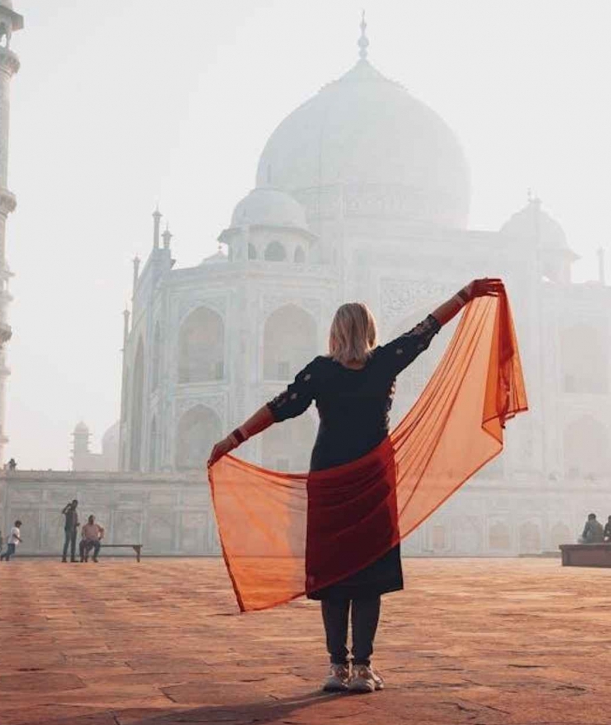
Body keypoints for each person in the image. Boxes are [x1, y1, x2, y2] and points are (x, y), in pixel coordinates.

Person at [208, 278, 499, 695]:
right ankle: (362, 668)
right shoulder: (384, 362)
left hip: (329, 475)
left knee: (334, 573)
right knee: (368, 573)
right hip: (371, 476)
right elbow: (425, 331)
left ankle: (336, 668)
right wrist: (465, 294)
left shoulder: (320, 371)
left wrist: (233, 438)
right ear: (370, 330)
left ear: (335, 332)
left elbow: (280, 407)